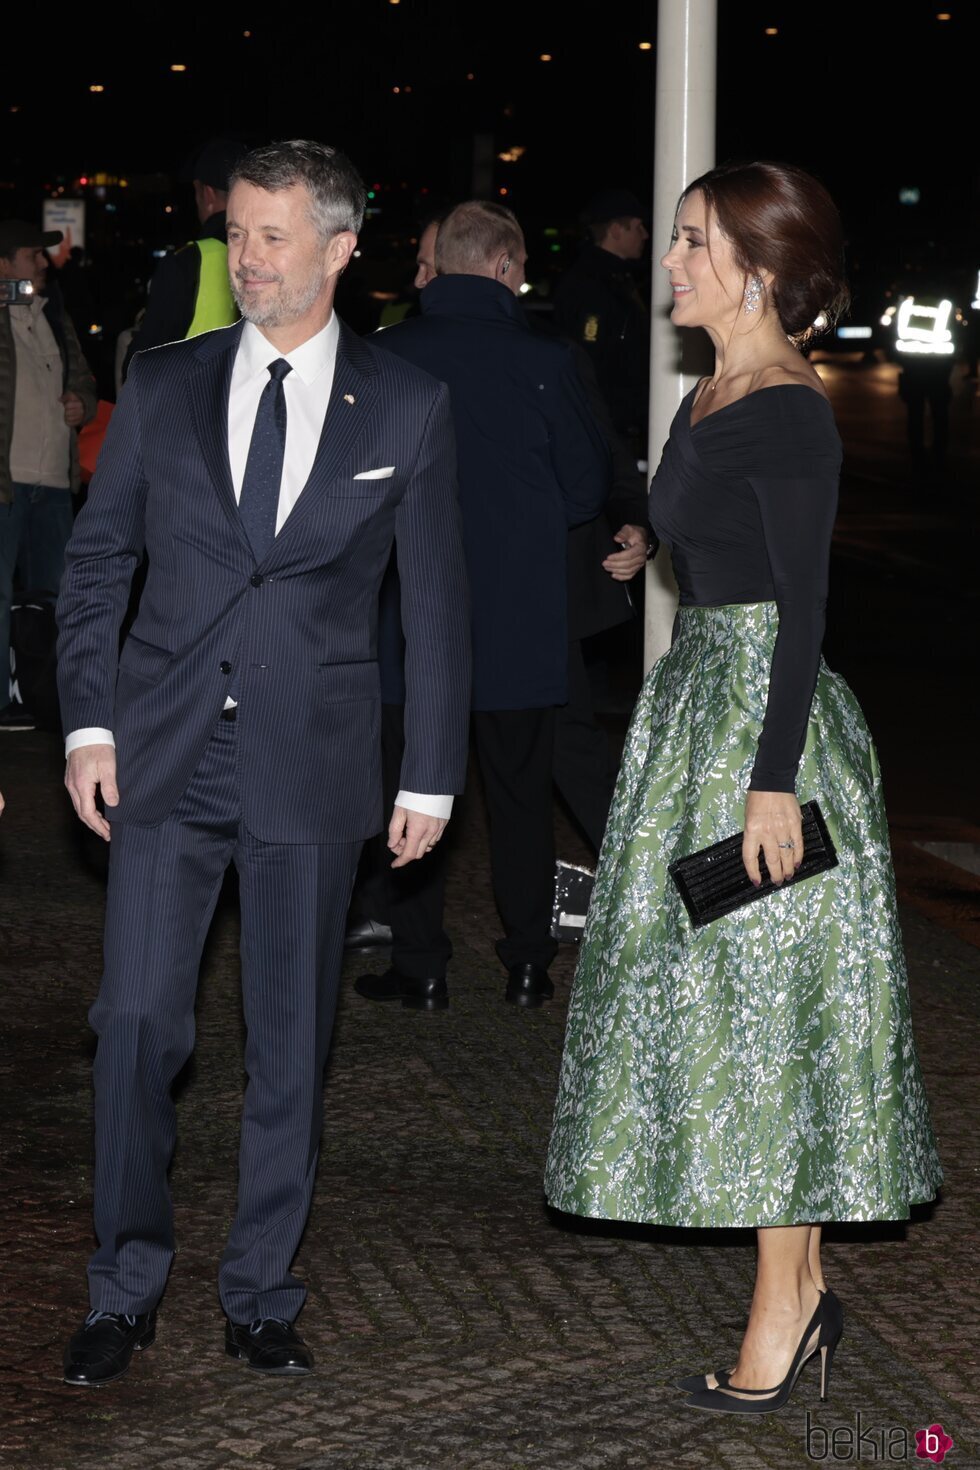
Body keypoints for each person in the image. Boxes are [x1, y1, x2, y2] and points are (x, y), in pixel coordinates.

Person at [56, 139, 470, 1386]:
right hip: (164, 758)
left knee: (289, 1047)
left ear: (341, 249)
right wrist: (88, 724)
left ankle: (259, 1293)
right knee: (135, 1025)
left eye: (274, 235)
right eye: (237, 232)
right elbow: (94, 564)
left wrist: (430, 774)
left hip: (315, 763)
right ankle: (124, 1284)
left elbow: (437, 604)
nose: (246, 258)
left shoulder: (407, 405)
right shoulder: (167, 380)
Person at [545, 161, 942, 1415]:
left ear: (757, 273)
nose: (666, 261)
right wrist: (648, 540)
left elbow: (803, 607)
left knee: (763, 1020)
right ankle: (805, 1288)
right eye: (669, 240)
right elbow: (717, 539)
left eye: (690, 243)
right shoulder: (712, 387)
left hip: (761, 730)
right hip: (700, 713)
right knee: (753, 1007)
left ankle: (779, 1322)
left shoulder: (783, 406)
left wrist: (771, 786)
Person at [357, 200, 610, 1010]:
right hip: (516, 619)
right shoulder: (547, 361)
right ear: (505, 266)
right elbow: (583, 489)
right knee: (521, 797)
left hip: (406, 621)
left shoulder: (383, 357)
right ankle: (528, 962)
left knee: (409, 793)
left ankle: (421, 962)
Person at [0, 219, 97, 729]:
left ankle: (49, 695)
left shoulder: (53, 314)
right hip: (7, 481)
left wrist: (81, 398)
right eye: (33, 255)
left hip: (55, 481)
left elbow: (83, 373)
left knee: (57, 597)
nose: (44, 264)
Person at [122, 137, 243, 374]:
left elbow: (141, 363)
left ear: (206, 194)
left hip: (191, 404)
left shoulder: (187, 261)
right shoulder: (275, 252)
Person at [553, 189, 650, 453]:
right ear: (616, 230)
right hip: (607, 425)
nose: (645, 235)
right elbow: (588, 356)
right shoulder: (594, 283)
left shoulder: (618, 278)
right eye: (638, 227)